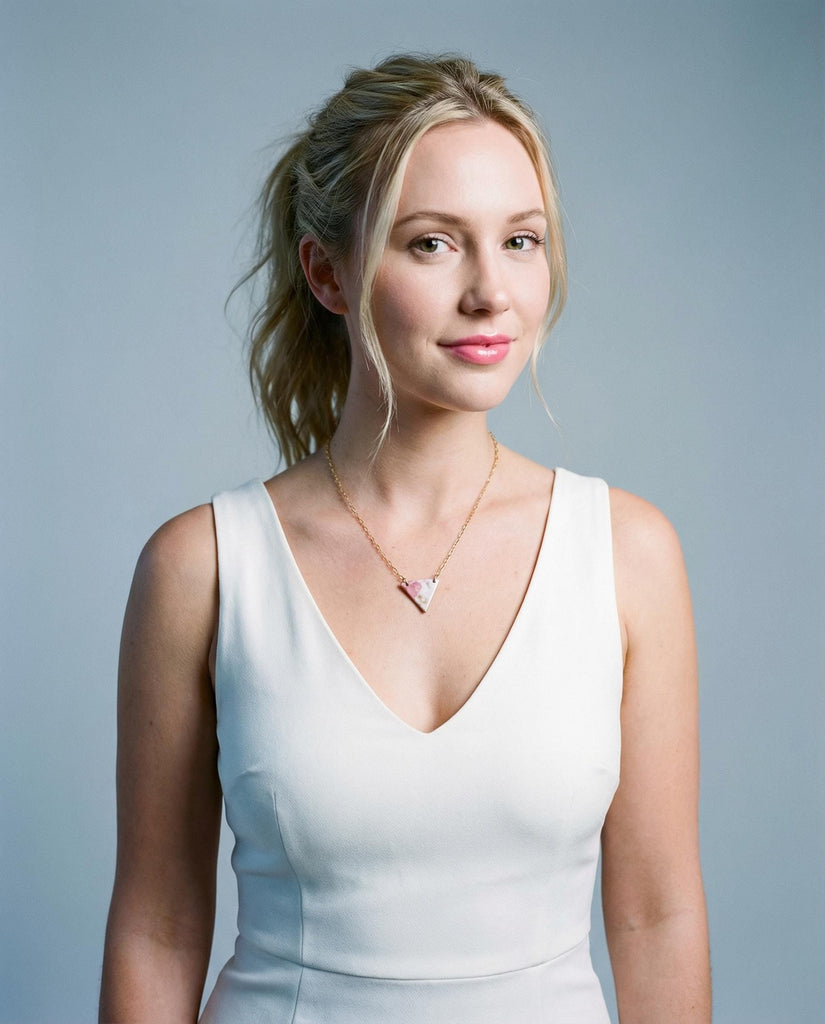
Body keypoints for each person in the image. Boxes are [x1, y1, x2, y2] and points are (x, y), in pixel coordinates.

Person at [99, 53, 711, 1023]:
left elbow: (657, 918)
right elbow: (158, 927)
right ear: (328, 273)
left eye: (520, 240)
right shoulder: (202, 567)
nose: (491, 292)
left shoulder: (627, 554)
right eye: (432, 244)